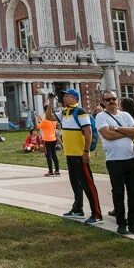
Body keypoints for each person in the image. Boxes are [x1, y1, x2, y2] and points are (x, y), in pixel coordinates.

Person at [45, 89, 102, 225]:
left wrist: (86, 151)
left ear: (75, 98)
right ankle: (77, 209)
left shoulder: (80, 112)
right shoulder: (64, 112)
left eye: (67, 96)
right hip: (69, 154)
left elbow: (87, 131)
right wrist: (51, 101)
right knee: (75, 183)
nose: (64, 98)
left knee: (88, 184)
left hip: (80, 154)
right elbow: (48, 117)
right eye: (64, 96)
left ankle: (97, 214)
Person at [95, 90, 134, 236]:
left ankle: (133, 224)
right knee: (118, 192)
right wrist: (127, 132)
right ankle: (121, 223)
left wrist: (117, 128)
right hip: (114, 160)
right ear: (103, 102)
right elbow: (107, 135)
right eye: (107, 99)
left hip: (130, 158)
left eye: (113, 99)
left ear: (118, 100)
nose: (111, 102)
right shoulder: (101, 116)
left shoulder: (125, 115)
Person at [37, 108, 59, 176]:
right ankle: (57, 170)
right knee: (54, 154)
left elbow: (38, 127)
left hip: (46, 139)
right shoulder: (54, 120)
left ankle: (50, 171)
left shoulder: (45, 120)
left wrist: (37, 120)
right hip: (53, 139)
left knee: (48, 155)